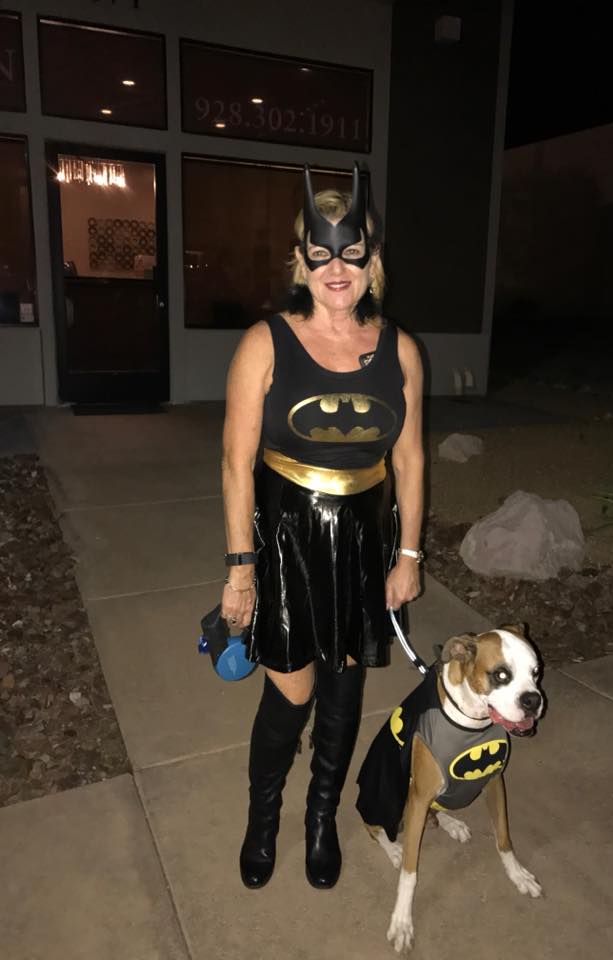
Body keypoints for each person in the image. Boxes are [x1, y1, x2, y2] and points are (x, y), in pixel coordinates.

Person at [221, 163, 424, 891]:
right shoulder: (264, 342)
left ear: (373, 261)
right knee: (293, 692)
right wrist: (240, 567)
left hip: (364, 536)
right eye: (323, 251)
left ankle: (319, 822)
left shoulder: (398, 348)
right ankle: (263, 817)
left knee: (343, 692)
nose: (339, 268)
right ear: (301, 260)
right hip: (285, 536)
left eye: (354, 251)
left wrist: (407, 553)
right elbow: (235, 464)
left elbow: (409, 455)